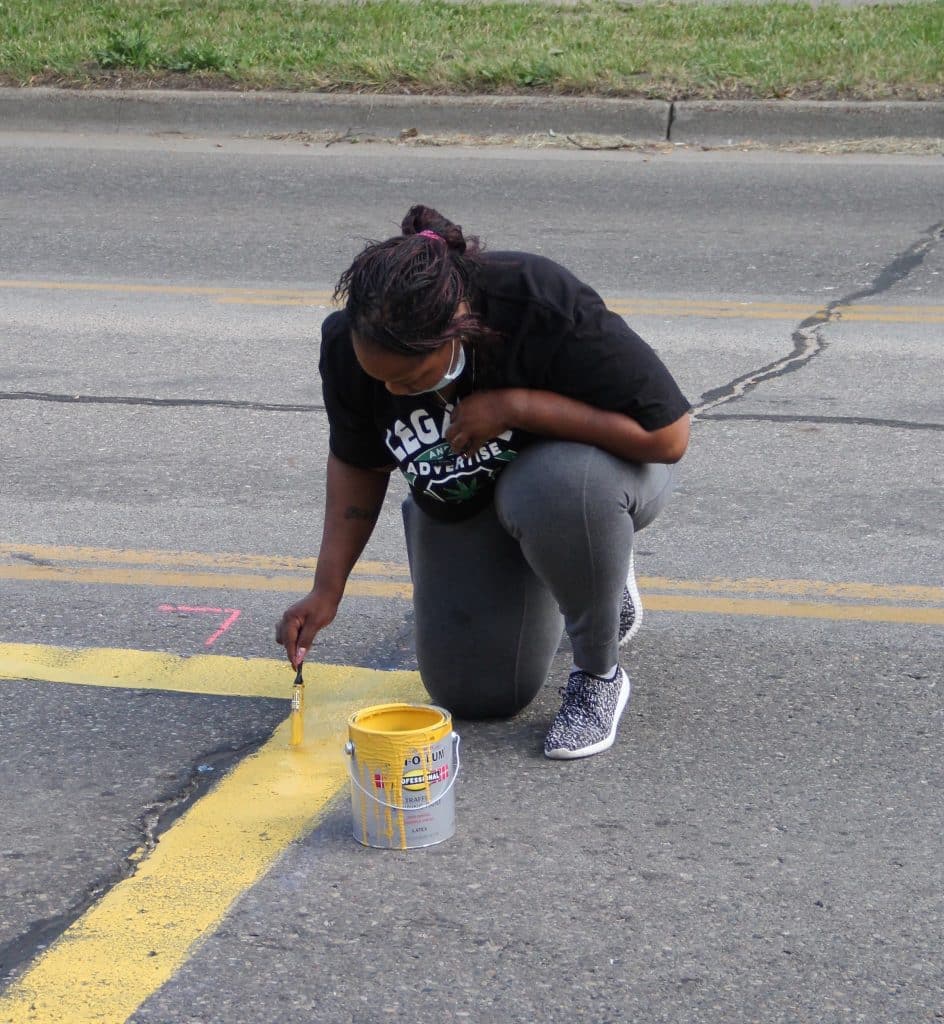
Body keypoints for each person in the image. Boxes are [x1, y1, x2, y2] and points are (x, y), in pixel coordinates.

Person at [276, 205, 691, 760]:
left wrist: (516, 407)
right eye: (382, 380)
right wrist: (326, 589)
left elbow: (667, 437)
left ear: (459, 327)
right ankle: (573, 568)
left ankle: (598, 671)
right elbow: (360, 463)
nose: (395, 393)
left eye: (411, 379)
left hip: (591, 476)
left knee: (554, 489)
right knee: (476, 693)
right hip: (467, 495)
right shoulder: (349, 346)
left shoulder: (535, 299)